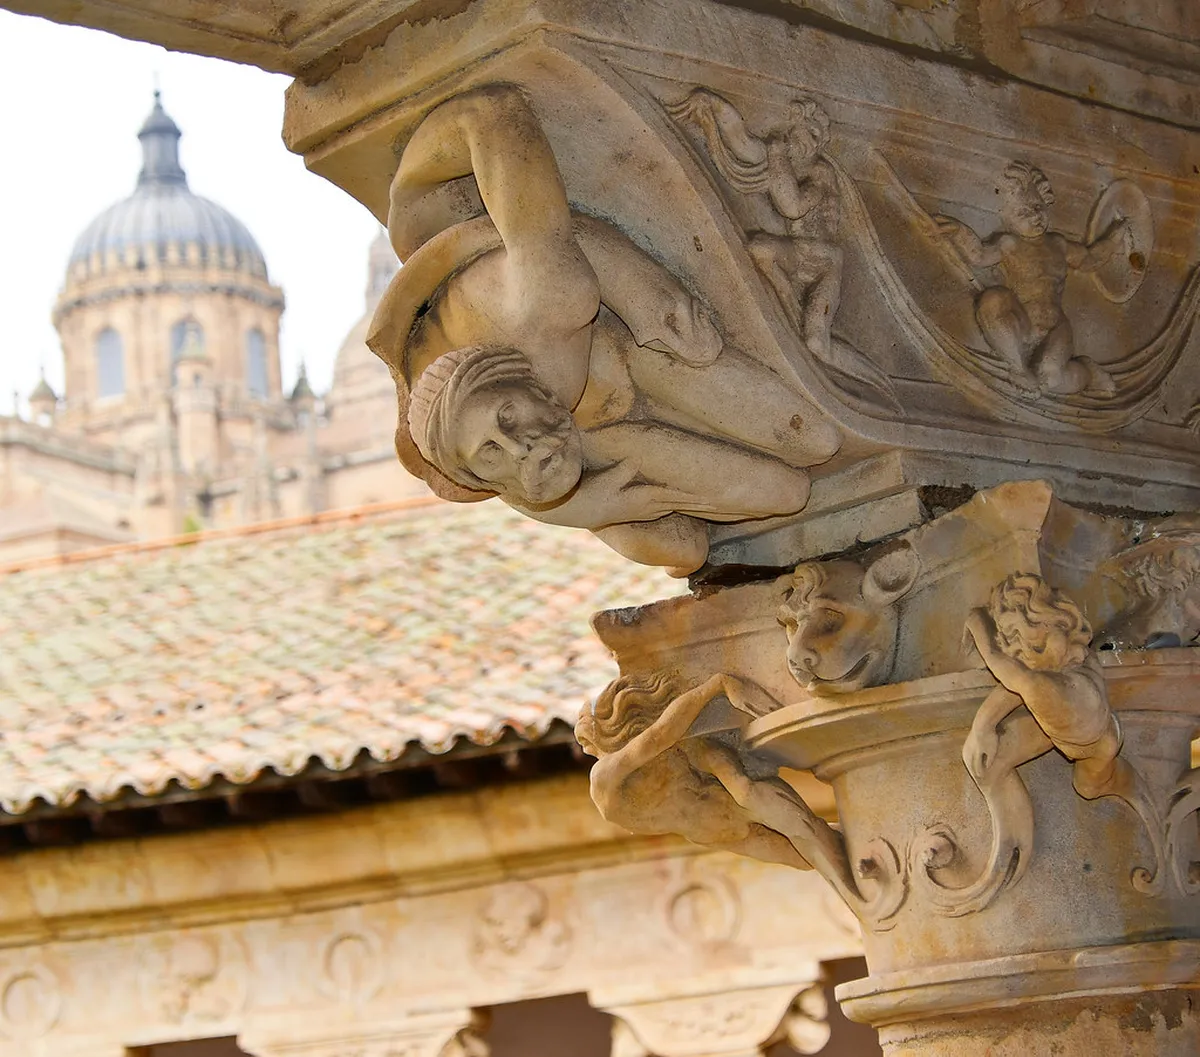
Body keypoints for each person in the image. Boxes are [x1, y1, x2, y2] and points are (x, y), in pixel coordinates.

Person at [368, 85, 840, 573]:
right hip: (600, 430)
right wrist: (589, 507)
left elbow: (492, 110)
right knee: (755, 510)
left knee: (817, 441)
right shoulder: (491, 457)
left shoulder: (542, 300)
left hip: (624, 351)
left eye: (507, 417)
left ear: (523, 381)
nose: (519, 447)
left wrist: (644, 289)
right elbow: (496, 470)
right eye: (492, 452)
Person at [934, 162, 1129, 395]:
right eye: (1023, 213)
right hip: (1022, 324)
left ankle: (1087, 373)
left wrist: (1113, 240)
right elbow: (979, 255)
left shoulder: (1058, 244)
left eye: (1038, 207)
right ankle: (1018, 368)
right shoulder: (1009, 244)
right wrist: (960, 232)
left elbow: (1089, 259)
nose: (1035, 216)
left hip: (1056, 325)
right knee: (993, 299)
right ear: (1006, 217)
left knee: (1051, 377)